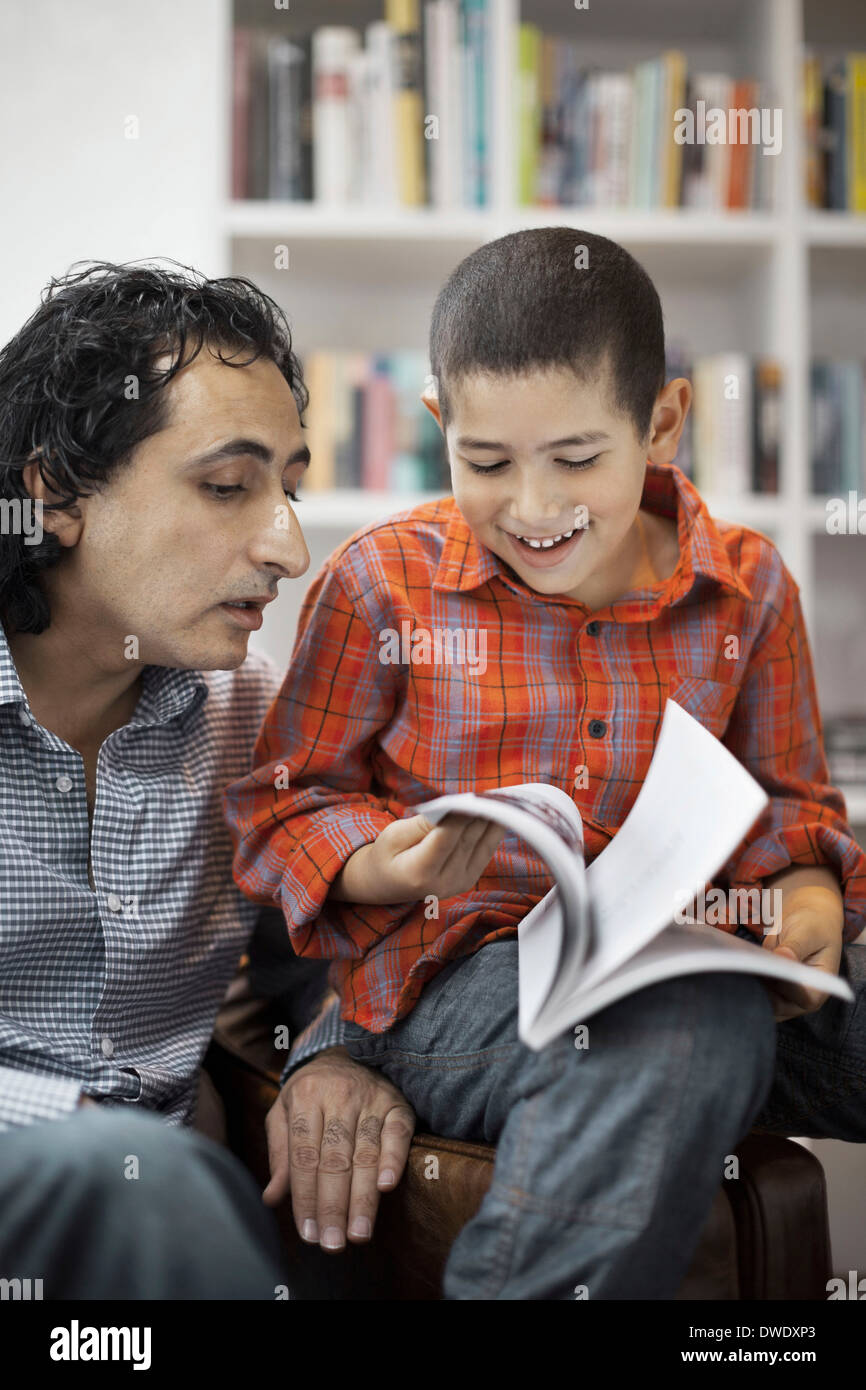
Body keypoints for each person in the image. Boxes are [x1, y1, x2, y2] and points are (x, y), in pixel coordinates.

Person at [226, 227, 866, 1300]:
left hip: (696, 954)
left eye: (575, 459)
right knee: (681, 1019)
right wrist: (391, 863)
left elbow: (796, 823)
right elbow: (283, 808)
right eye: (484, 462)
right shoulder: (382, 583)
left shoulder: (749, 590)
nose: (531, 506)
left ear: (660, 422)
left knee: (704, 995)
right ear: (440, 427)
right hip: (446, 986)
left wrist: (801, 921)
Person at [0, 262, 414, 1299]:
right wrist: (74, 1135)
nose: (288, 546)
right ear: (53, 493)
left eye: (289, 488)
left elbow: (330, 958)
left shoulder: (255, 723)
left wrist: (330, 1052)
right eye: (227, 486)